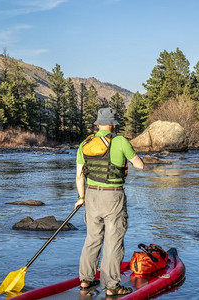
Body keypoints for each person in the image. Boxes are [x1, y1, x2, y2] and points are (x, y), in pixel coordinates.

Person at [74, 107, 144, 296]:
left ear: (97, 125)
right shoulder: (120, 141)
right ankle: (112, 286)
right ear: (113, 125)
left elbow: (79, 177)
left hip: (91, 196)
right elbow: (140, 165)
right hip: (113, 196)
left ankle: (85, 281)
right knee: (113, 241)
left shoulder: (85, 143)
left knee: (92, 239)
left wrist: (81, 198)